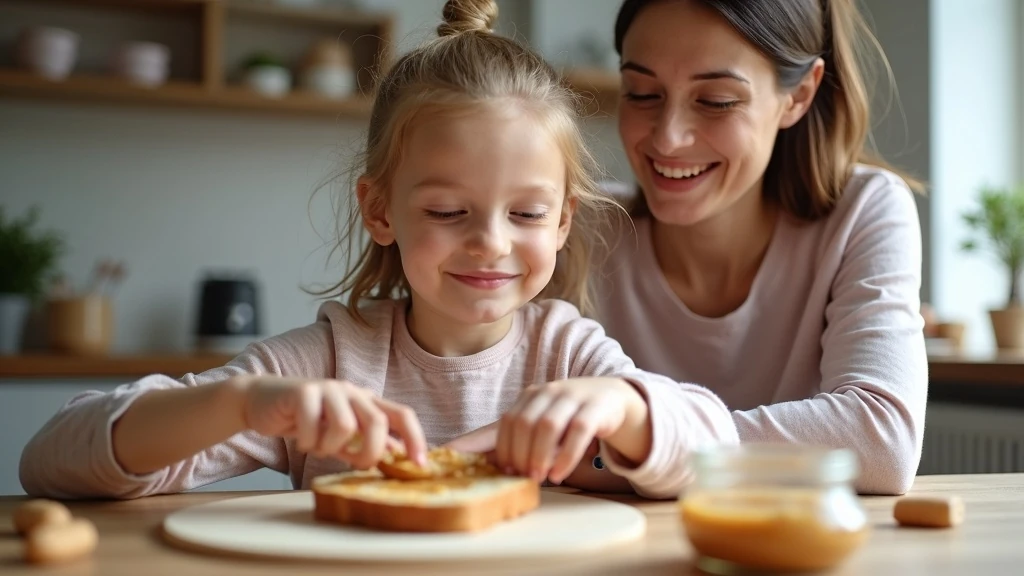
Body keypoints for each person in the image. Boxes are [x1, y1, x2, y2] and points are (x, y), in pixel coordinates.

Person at [18, 0, 738, 501]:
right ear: (379, 211)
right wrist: (241, 403)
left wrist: (621, 404)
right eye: (448, 210)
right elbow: (51, 460)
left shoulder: (570, 353)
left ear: (562, 223)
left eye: (525, 212)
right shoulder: (329, 361)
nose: (490, 240)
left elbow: (719, 454)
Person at [595, 0, 927, 495]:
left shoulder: (864, 211)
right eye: (642, 93)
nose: (668, 138)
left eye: (716, 101)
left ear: (798, 95)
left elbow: (882, 443)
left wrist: (649, 442)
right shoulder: (573, 228)